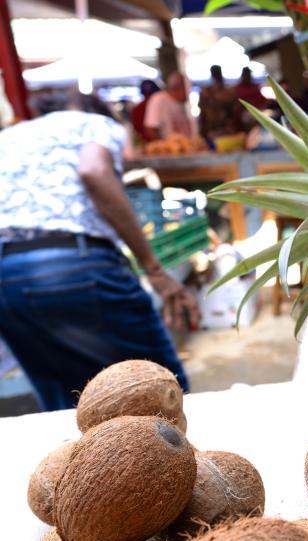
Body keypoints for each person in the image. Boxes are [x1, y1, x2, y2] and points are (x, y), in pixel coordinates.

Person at [0, 90, 198, 411]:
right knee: (164, 389)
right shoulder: (94, 123)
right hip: (71, 264)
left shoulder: (11, 137)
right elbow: (93, 171)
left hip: (6, 273)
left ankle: (81, 461)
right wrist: (155, 269)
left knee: (66, 404)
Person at [143, 72, 193, 141]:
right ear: (177, 88)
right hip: (171, 150)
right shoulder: (159, 99)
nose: (189, 93)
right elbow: (150, 129)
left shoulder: (181, 104)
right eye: (187, 89)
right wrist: (166, 147)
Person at [199, 65, 241, 140]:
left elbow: (202, 115)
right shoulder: (229, 92)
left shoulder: (206, 92)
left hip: (223, 130)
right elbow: (236, 112)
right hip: (221, 130)